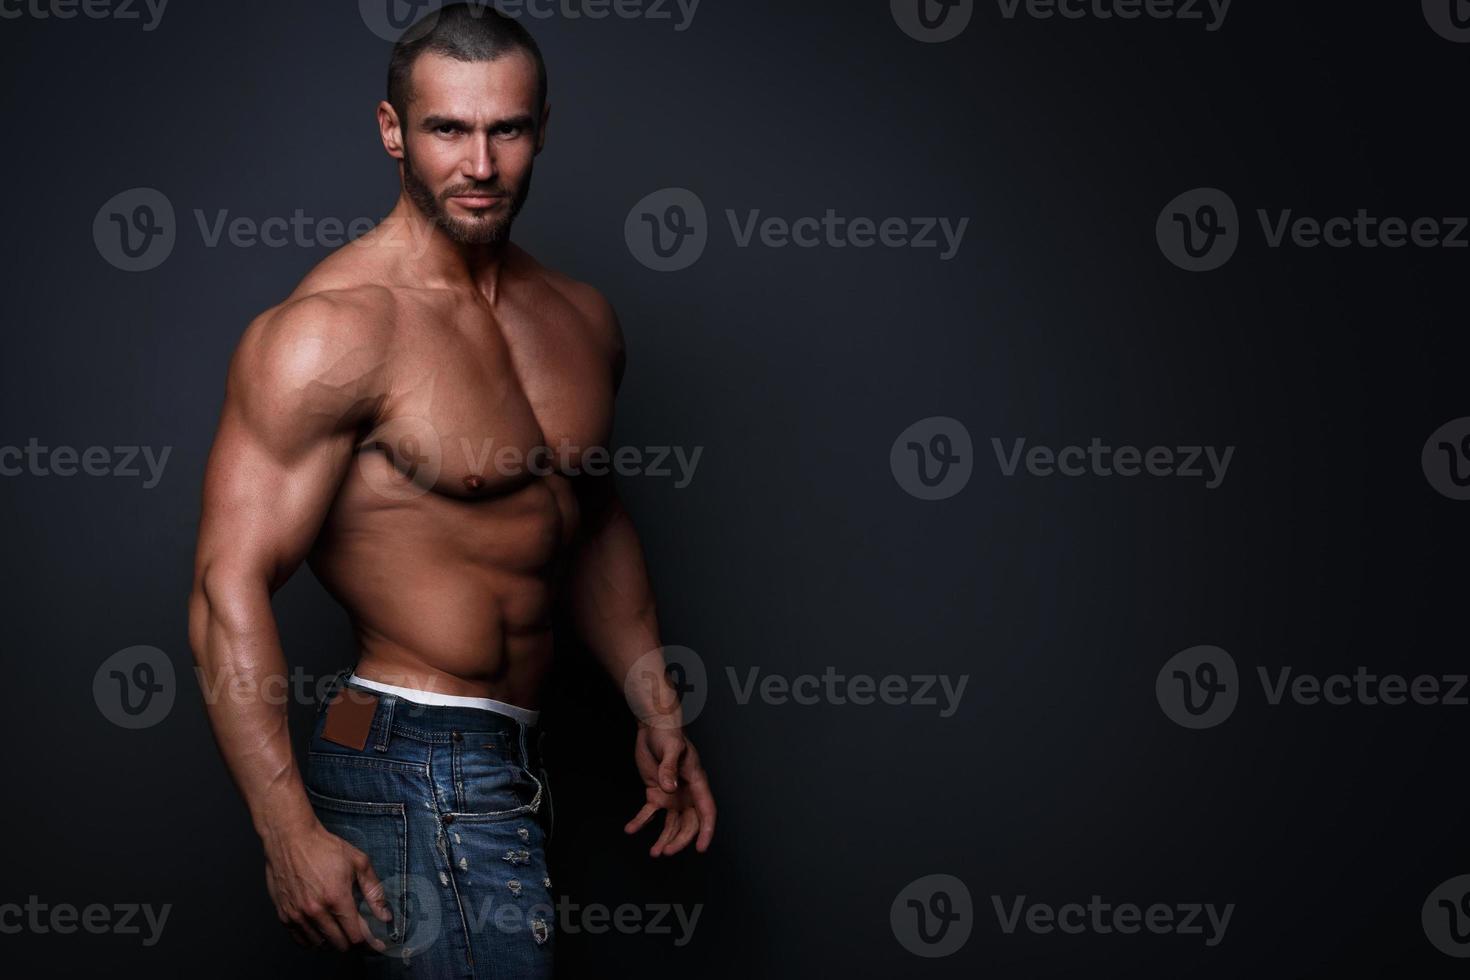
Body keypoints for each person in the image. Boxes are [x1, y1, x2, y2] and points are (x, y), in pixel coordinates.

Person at [186, 5, 715, 975]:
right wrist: (284, 826)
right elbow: (228, 586)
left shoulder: (582, 320)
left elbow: (586, 519)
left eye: (505, 129)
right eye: (447, 129)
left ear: (540, 127)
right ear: (393, 131)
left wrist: (655, 700)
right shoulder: (333, 332)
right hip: (408, 753)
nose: (480, 163)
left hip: (510, 753)